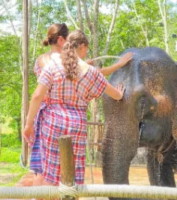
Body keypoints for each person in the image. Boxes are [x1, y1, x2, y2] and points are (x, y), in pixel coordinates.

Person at [30, 24, 132, 187]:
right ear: (62, 40)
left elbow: (37, 95)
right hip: (76, 124)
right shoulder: (77, 67)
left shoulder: (50, 61)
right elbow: (101, 79)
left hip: (50, 121)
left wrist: (28, 125)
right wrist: (118, 77)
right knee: (74, 178)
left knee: (45, 172)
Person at [30, 23, 69, 187]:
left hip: (40, 113)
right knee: (55, 167)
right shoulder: (61, 62)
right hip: (55, 115)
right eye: (68, 39)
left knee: (40, 166)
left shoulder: (40, 59)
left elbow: (35, 75)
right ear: (61, 40)